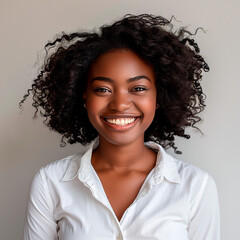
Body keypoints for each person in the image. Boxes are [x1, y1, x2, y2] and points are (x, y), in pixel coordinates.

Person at [21, 14, 220, 240]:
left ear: (158, 97)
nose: (120, 104)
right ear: (84, 97)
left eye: (138, 88)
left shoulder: (196, 186)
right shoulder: (50, 183)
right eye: (103, 89)